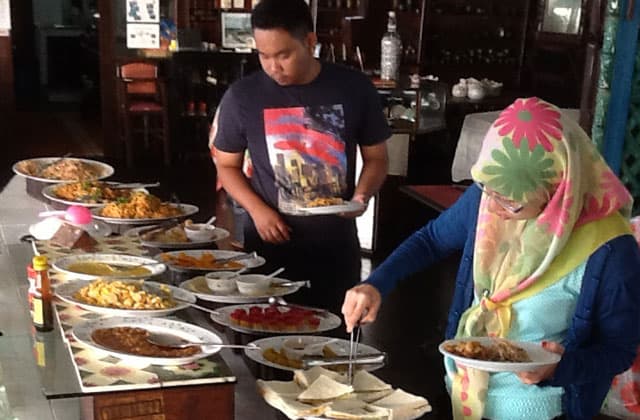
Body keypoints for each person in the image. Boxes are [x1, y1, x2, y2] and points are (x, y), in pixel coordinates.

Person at [341, 97, 640, 419]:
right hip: (466, 395)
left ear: (558, 191)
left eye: (511, 202)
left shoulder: (609, 249)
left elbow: (618, 350)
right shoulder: (488, 197)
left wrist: (562, 366)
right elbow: (431, 241)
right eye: (487, 190)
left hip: (542, 410)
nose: (493, 209)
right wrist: (375, 283)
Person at [213, 0, 390, 315]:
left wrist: (362, 195)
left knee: (334, 345)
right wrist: (257, 211)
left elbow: (377, 158)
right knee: (267, 341)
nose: (273, 67)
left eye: (283, 55)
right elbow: (226, 165)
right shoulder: (242, 96)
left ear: (310, 42)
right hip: (270, 245)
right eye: (263, 56)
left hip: (335, 245)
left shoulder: (354, 88)